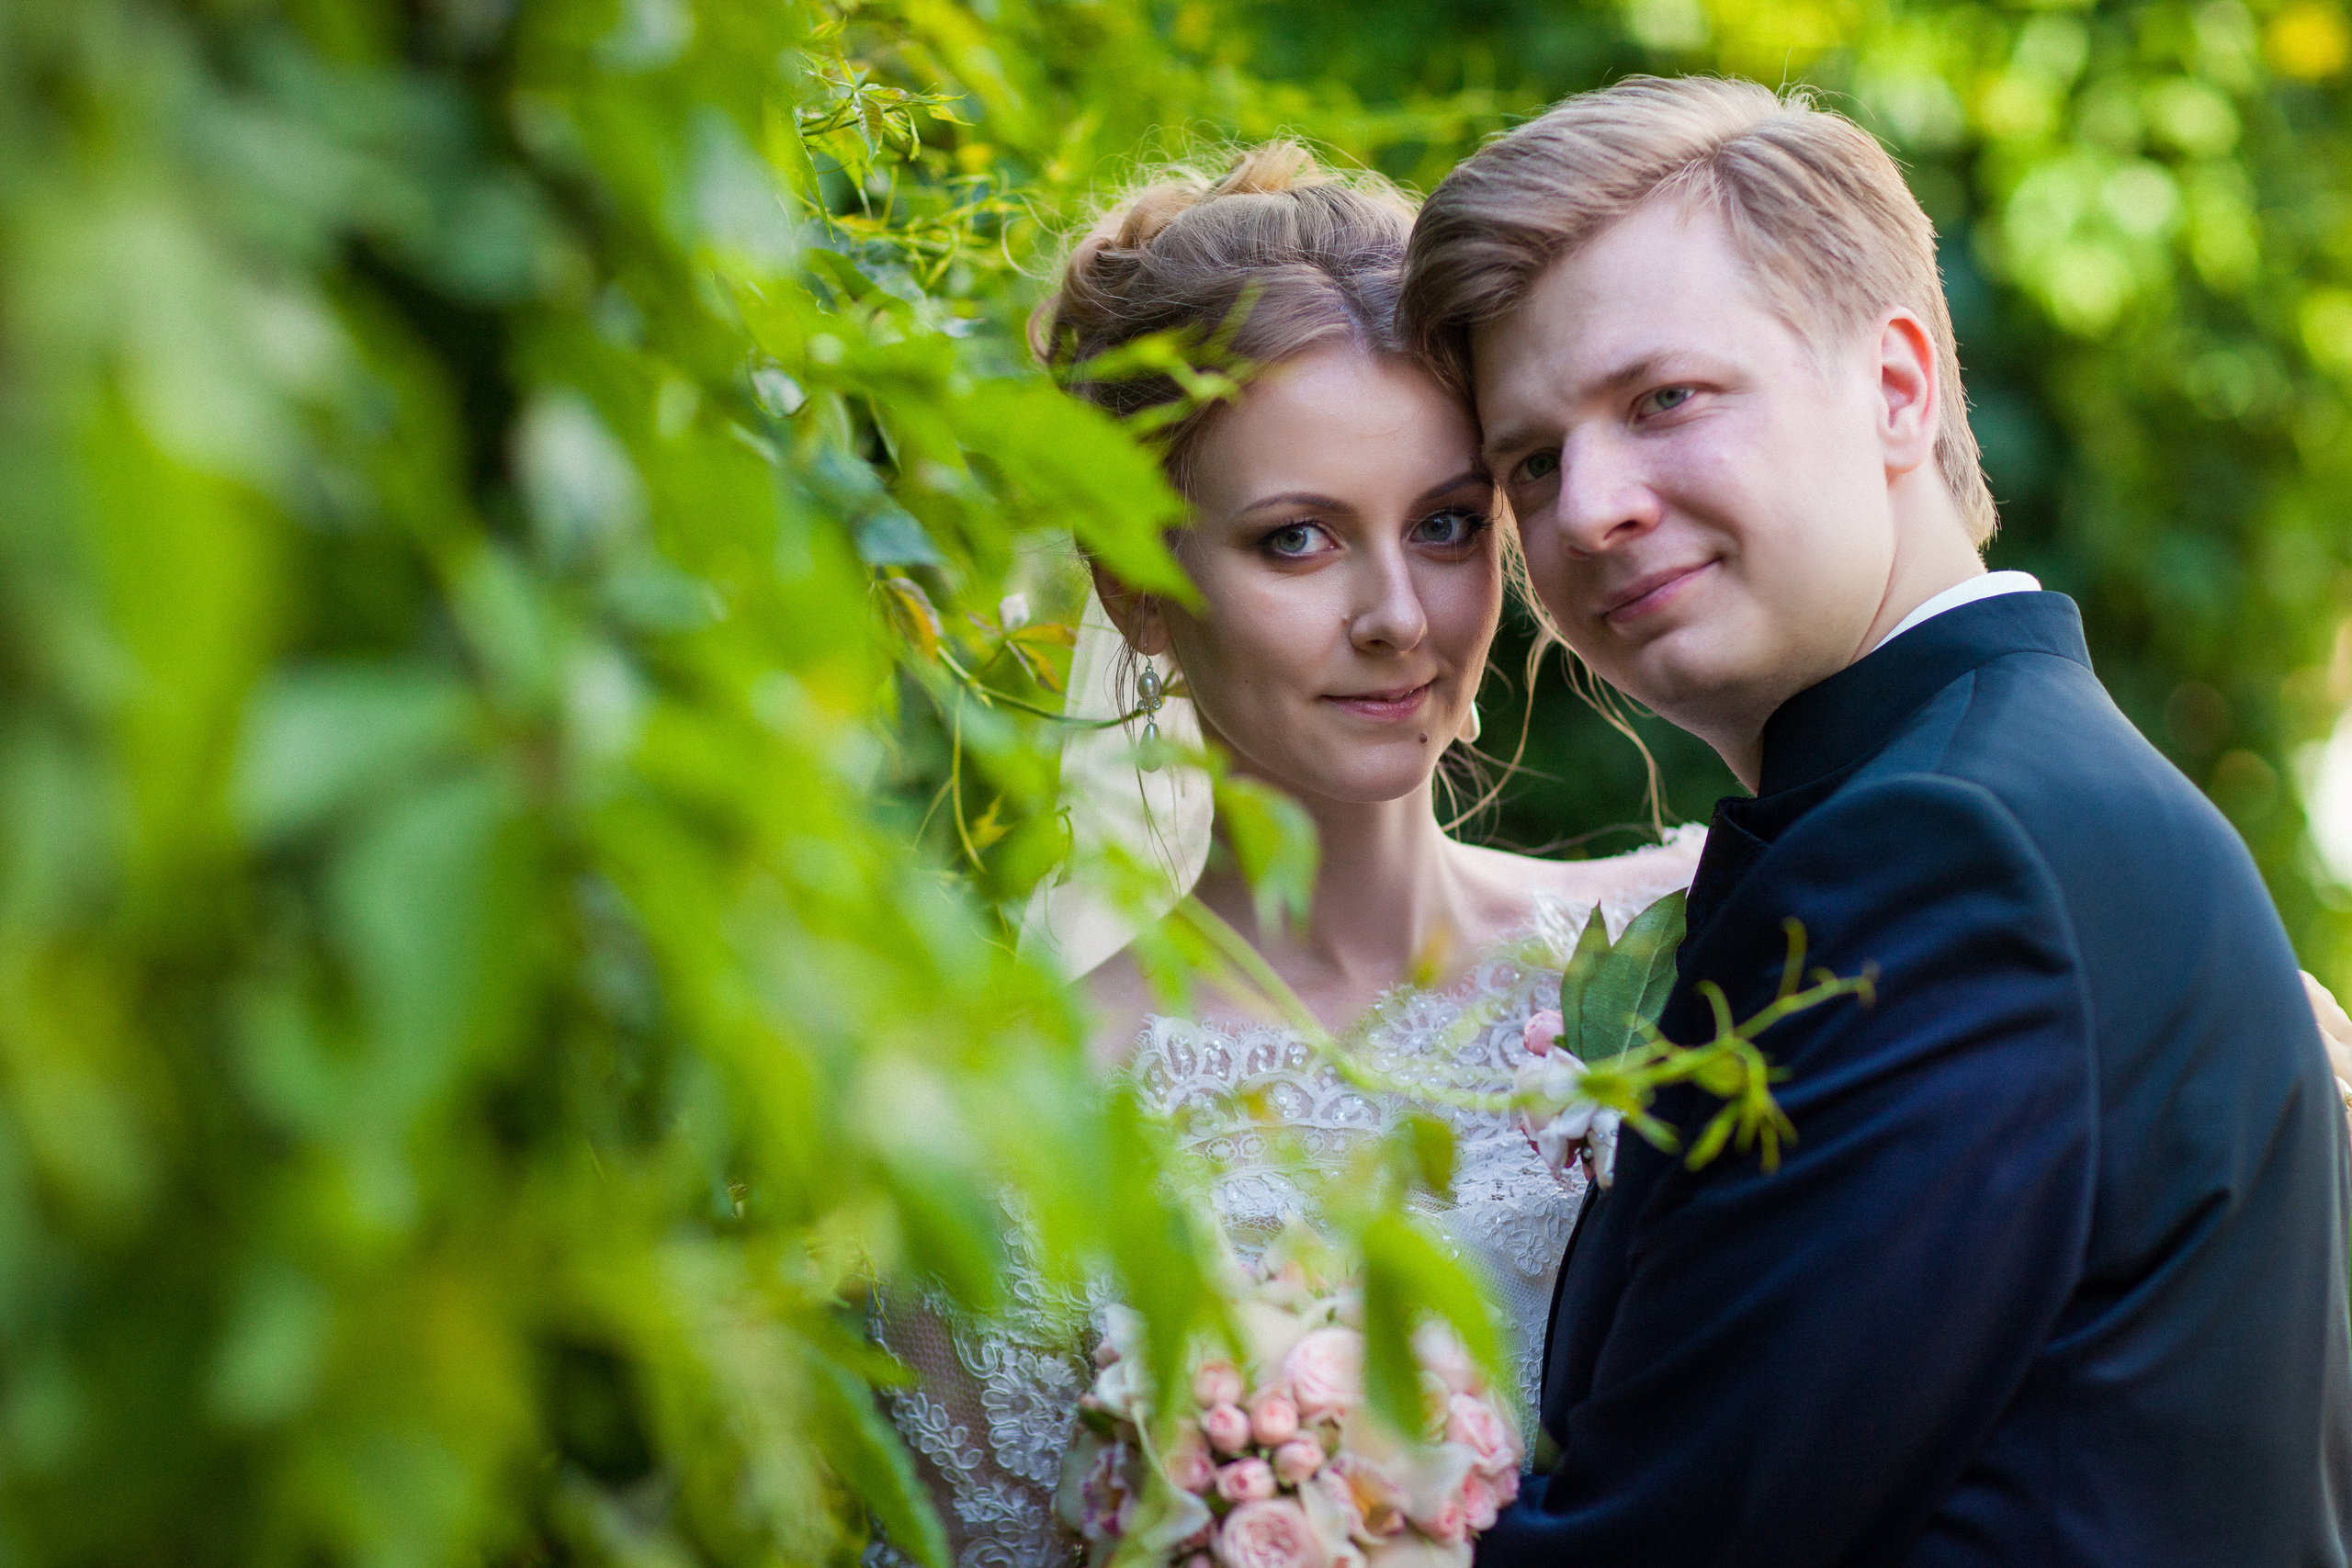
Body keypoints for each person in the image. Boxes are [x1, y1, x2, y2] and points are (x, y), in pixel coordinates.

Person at [1397, 73, 2352, 1564]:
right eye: (1531, 462)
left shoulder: (1946, 859)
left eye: (1665, 401)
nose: (1586, 511)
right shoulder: (2017, 794)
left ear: (1898, 391)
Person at [874, 145, 1701, 1567]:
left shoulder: (1695, 949)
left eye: (1445, 525)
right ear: (1137, 584)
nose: (1396, 615)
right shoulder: (1010, 1128)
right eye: (1298, 539)